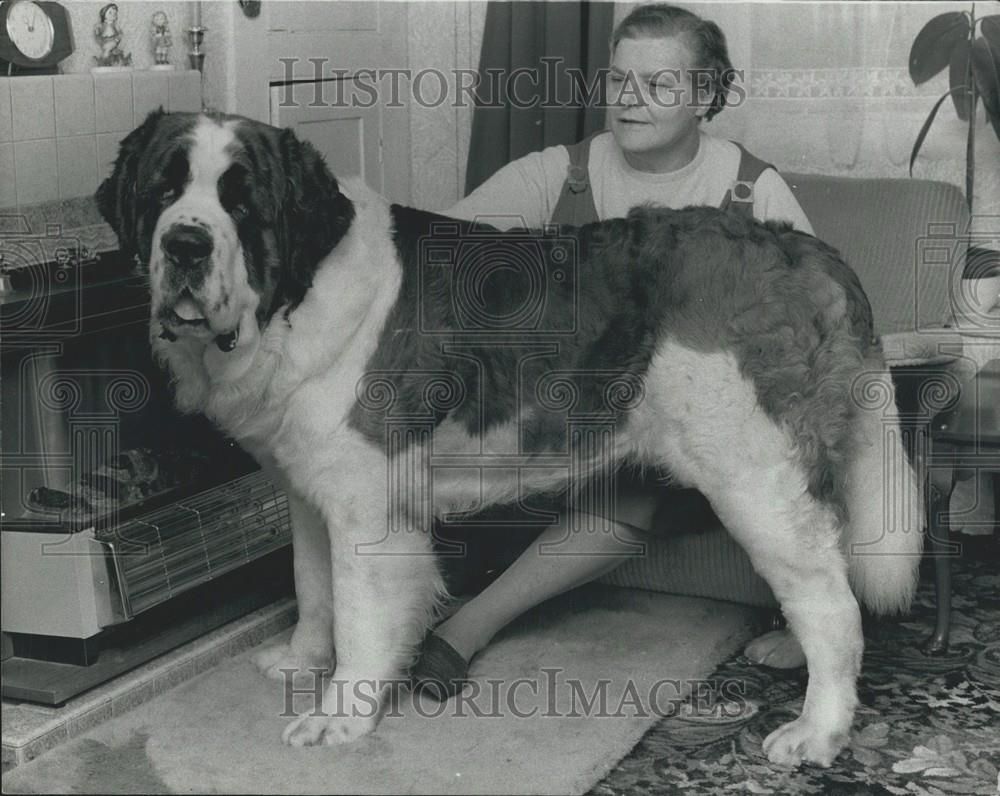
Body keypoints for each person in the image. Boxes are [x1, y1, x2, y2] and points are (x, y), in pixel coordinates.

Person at [412, 3, 811, 697]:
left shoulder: (753, 190)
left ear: (706, 96)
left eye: (658, 86)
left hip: (696, 429)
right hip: (572, 415)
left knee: (641, 470)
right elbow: (445, 254)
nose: (630, 101)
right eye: (621, 81)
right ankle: (389, 594)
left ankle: (464, 629)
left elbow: (801, 332)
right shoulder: (560, 173)